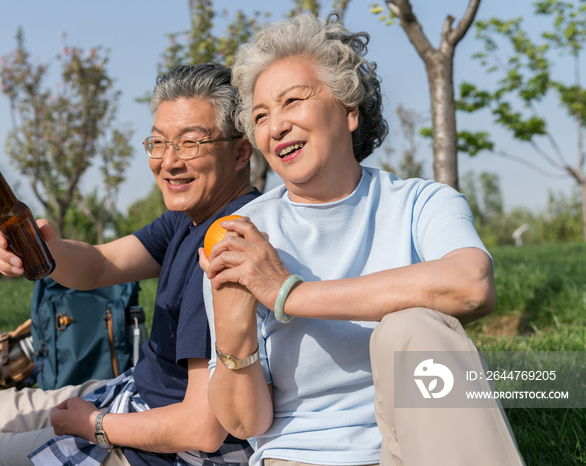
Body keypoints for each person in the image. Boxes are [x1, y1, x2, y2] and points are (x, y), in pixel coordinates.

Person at [0, 63, 259, 466]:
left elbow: (202, 428)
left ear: (241, 152)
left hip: (155, 444)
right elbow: (100, 265)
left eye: (190, 143)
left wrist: (97, 425)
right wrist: (45, 246)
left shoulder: (229, 245)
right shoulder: (191, 217)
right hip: (128, 392)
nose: (168, 161)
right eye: (158, 142)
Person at [200, 15, 526, 466]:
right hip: (301, 457)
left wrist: (288, 293)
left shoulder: (421, 204)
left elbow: (471, 285)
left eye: (293, 101)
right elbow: (244, 424)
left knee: (412, 327)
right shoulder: (243, 237)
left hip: (427, 448)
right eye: (260, 116)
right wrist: (235, 337)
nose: (275, 127)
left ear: (350, 110)